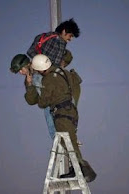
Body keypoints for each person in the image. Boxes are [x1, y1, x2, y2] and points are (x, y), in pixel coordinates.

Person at [24, 54, 96, 182]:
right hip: (70, 111)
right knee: (69, 142)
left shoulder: (48, 79)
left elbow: (42, 103)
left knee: (68, 142)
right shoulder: (62, 71)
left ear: (40, 69)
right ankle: (77, 169)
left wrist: (30, 86)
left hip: (62, 113)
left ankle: (84, 171)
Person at [26, 18, 80, 139]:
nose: (70, 39)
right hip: (45, 78)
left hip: (37, 76)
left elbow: (30, 51)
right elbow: (53, 67)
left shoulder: (46, 37)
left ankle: (57, 136)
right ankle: (59, 136)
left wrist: (38, 64)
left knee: (48, 108)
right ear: (64, 31)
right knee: (54, 107)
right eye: (70, 36)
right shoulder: (59, 42)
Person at [10, 50, 81, 139]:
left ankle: (69, 134)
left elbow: (66, 57)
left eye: (21, 69)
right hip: (49, 101)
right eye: (19, 71)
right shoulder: (30, 80)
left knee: (65, 114)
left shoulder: (41, 62)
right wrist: (29, 85)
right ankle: (62, 141)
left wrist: (61, 61)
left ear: (27, 64)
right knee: (53, 127)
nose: (21, 72)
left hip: (66, 91)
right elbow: (31, 100)